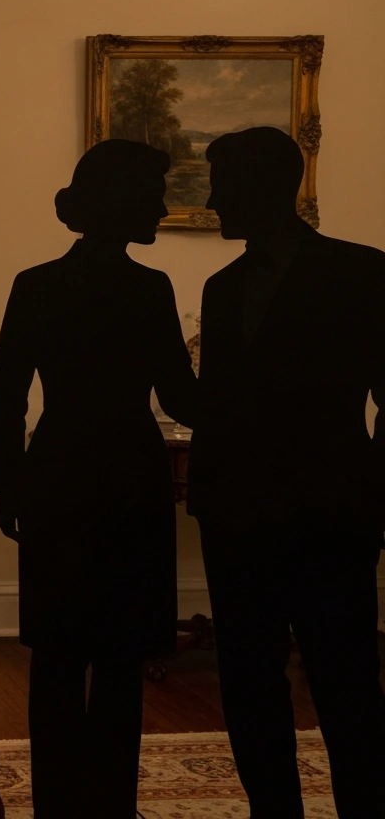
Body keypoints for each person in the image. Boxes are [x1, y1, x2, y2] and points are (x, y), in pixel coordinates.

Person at [0, 139, 197, 818]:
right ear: (124, 204)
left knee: (56, 652)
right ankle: (111, 804)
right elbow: (182, 398)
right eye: (152, 196)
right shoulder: (150, 287)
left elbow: (6, 398)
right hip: (132, 474)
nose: (163, 208)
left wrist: (8, 484)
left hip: (57, 472)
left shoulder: (37, 284)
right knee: (120, 655)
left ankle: (55, 803)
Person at [187, 126, 385, 816]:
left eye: (221, 185)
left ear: (265, 187)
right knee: (247, 683)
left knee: (348, 683)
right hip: (237, 518)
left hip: (332, 513)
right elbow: (217, 401)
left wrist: (374, 495)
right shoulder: (220, 287)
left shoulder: (366, 272)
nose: (211, 201)